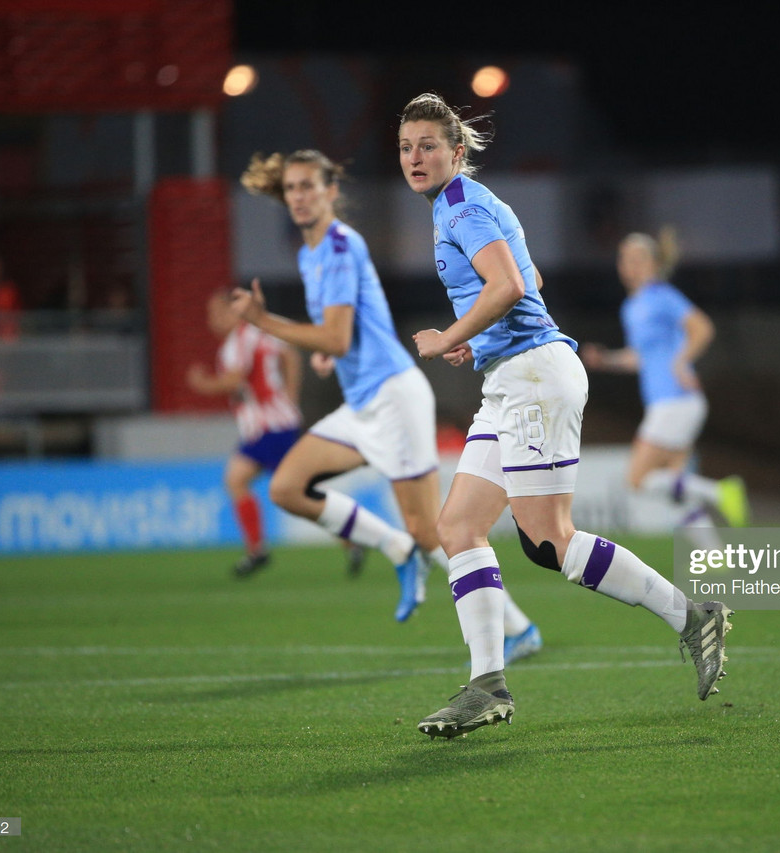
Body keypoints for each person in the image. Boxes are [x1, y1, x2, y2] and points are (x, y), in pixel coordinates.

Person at [399, 92, 732, 739]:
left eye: (428, 145)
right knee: (459, 526)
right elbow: (532, 282)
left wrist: (447, 336)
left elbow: (511, 287)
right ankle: (487, 682)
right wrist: (480, 336)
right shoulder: (466, 206)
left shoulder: (461, 206)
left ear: (456, 152)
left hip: (534, 377)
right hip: (511, 375)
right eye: (407, 146)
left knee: (550, 539)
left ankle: (692, 617)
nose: (415, 156)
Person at [234, 149, 541, 648]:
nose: (299, 196)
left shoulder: (337, 246)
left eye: (309, 185)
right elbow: (342, 334)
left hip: (394, 397)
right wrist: (329, 355)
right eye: (291, 188)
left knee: (431, 531)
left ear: (331, 191)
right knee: (287, 487)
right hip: (362, 400)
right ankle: (395, 548)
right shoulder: (310, 253)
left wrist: (265, 322)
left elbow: (334, 335)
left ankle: (518, 628)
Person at [581, 228, 750, 549]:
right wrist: (604, 360)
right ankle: (715, 557)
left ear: (652, 264)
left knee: (636, 480)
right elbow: (638, 359)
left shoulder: (661, 296)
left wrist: (681, 361)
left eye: (636, 258)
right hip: (673, 403)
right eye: (623, 259)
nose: (628, 265)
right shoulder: (632, 307)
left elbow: (702, 328)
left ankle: (721, 492)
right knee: (678, 491)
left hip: (675, 401)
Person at [186, 289, 311, 578]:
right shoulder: (258, 332)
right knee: (284, 489)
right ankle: (258, 551)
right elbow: (291, 354)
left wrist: (202, 384)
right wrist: (291, 395)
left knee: (282, 489)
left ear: (234, 311)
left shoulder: (240, 340)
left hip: (270, 427)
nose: (212, 320)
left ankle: (258, 550)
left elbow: (233, 379)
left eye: (218, 313)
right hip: (273, 425)